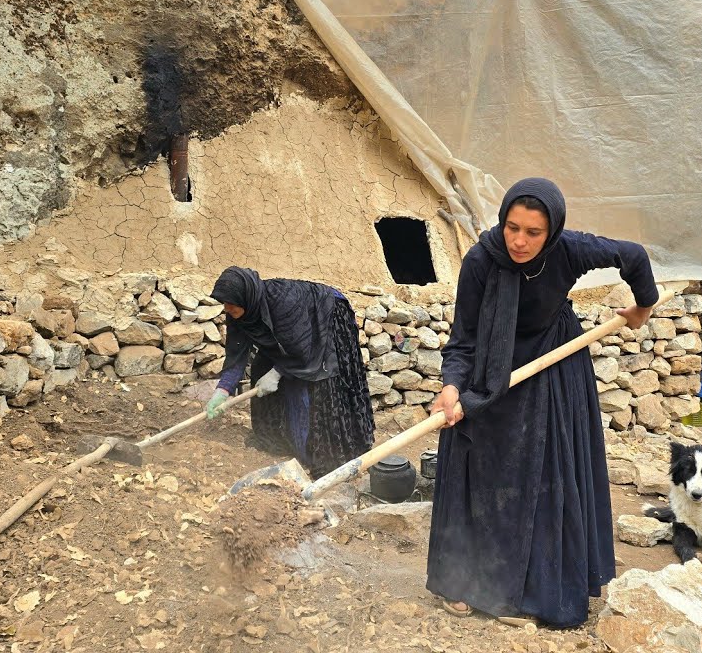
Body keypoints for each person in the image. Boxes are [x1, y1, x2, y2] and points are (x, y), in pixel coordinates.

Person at [426, 177, 659, 628]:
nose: (519, 240)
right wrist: (452, 388)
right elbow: (463, 340)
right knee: (482, 469)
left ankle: (538, 587)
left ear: (550, 231)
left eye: (533, 232)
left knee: (544, 472)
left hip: (553, 368)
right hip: (492, 375)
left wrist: (643, 308)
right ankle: (465, 581)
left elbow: (631, 256)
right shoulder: (480, 261)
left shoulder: (568, 250)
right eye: (513, 227)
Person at [206, 267, 376, 478]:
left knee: (318, 381)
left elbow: (303, 349)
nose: (227, 308)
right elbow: (237, 353)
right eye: (225, 305)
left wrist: (278, 372)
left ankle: (322, 453)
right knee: (262, 370)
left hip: (325, 315)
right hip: (293, 335)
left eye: (231, 305)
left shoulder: (282, 301)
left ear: (245, 297)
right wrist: (223, 389)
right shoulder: (238, 311)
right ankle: (283, 440)